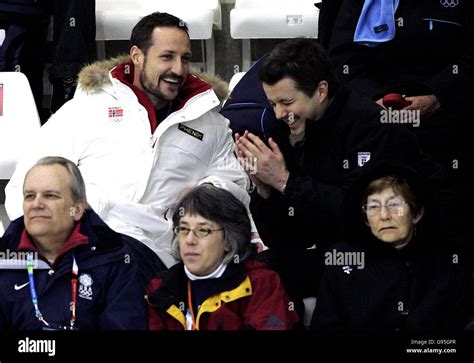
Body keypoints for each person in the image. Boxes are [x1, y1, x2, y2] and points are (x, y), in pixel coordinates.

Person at [5, 12, 255, 268]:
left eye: (185, 58)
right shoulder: (88, 107)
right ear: (137, 56)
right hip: (81, 248)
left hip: (155, 255)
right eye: (167, 57)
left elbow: (235, 189)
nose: (178, 69)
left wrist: (206, 194)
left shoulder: (210, 122)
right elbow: (23, 184)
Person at [229, 38, 443, 306]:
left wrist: (285, 181)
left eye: (286, 102)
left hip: (392, 254)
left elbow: (364, 218)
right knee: (260, 270)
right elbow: (283, 238)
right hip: (333, 251)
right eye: (272, 104)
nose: (280, 113)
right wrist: (264, 190)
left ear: (321, 90)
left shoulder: (372, 126)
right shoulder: (291, 127)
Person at [0, 156, 157, 330]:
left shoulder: (116, 256)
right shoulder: (4, 259)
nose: (36, 204)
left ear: (78, 209)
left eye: (50, 195)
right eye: (29, 196)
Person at [311, 162, 472, 330]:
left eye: (394, 205)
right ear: (366, 220)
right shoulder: (343, 258)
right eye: (373, 206)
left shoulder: (446, 263)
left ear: (417, 214)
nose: (384, 216)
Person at [327, 0, 474, 180]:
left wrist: (436, 98)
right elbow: (342, 58)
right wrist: (374, 101)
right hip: (375, 124)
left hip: (445, 123)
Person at [147, 185, 299, 330]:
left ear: (228, 240)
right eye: (184, 229)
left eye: (203, 230)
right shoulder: (160, 289)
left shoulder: (261, 284)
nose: (189, 240)